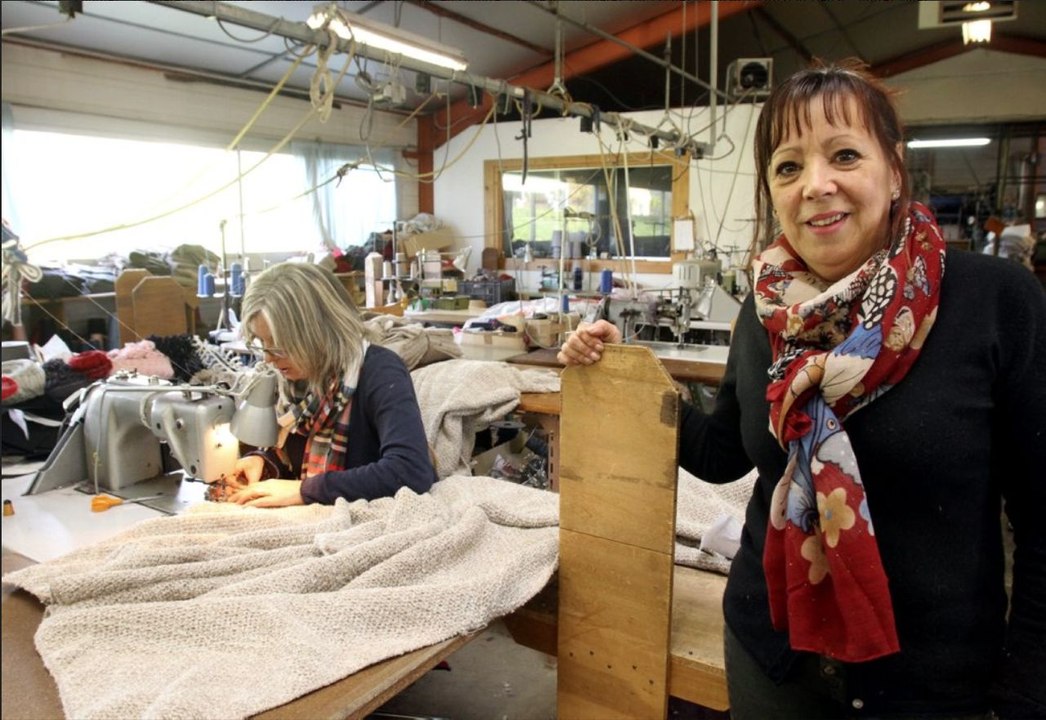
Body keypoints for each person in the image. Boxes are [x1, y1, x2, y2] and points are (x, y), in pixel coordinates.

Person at [559, 59, 1045, 719]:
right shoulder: (767, 312)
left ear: (894, 169)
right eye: (789, 167)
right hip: (774, 653)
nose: (816, 185)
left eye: (844, 155)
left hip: (932, 683)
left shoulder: (995, 302)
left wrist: (1025, 691)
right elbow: (725, 452)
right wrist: (627, 375)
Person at [225, 262, 436, 508]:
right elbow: (296, 455)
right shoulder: (294, 382)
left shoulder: (380, 372)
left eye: (279, 344)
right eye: (263, 343)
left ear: (317, 333)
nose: (268, 358)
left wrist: (306, 490)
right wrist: (264, 462)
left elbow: (410, 471)